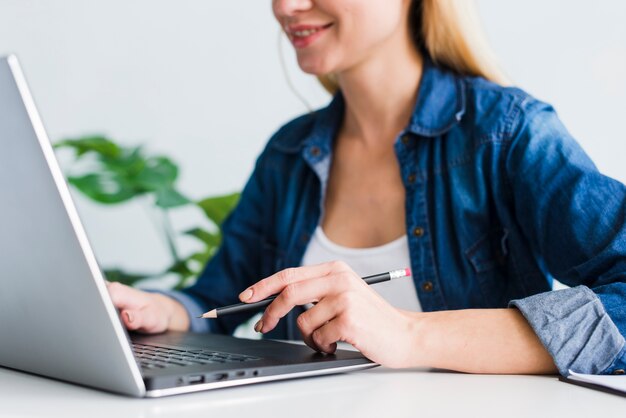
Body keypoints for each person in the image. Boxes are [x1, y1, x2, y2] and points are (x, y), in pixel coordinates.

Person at [107, 0, 626, 375]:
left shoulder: (508, 131)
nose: (285, 7)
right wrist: (161, 310)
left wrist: (408, 334)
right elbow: (216, 301)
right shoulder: (289, 153)